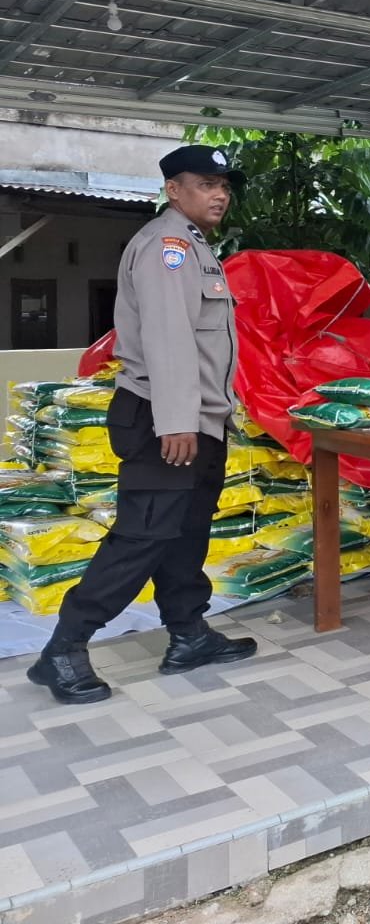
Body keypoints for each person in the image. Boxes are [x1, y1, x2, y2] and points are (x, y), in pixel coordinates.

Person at [29, 145, 257, 704]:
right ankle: (63, 648)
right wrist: (176, 421)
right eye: (205, 184)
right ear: (173, 190)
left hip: (199, 419)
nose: (219, 195)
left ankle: (189, 634)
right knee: (143, 535)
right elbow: (167, 337)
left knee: (186, 532)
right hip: (165, 418)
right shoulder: (166, 247)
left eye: (223, 186)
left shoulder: (195, 246)